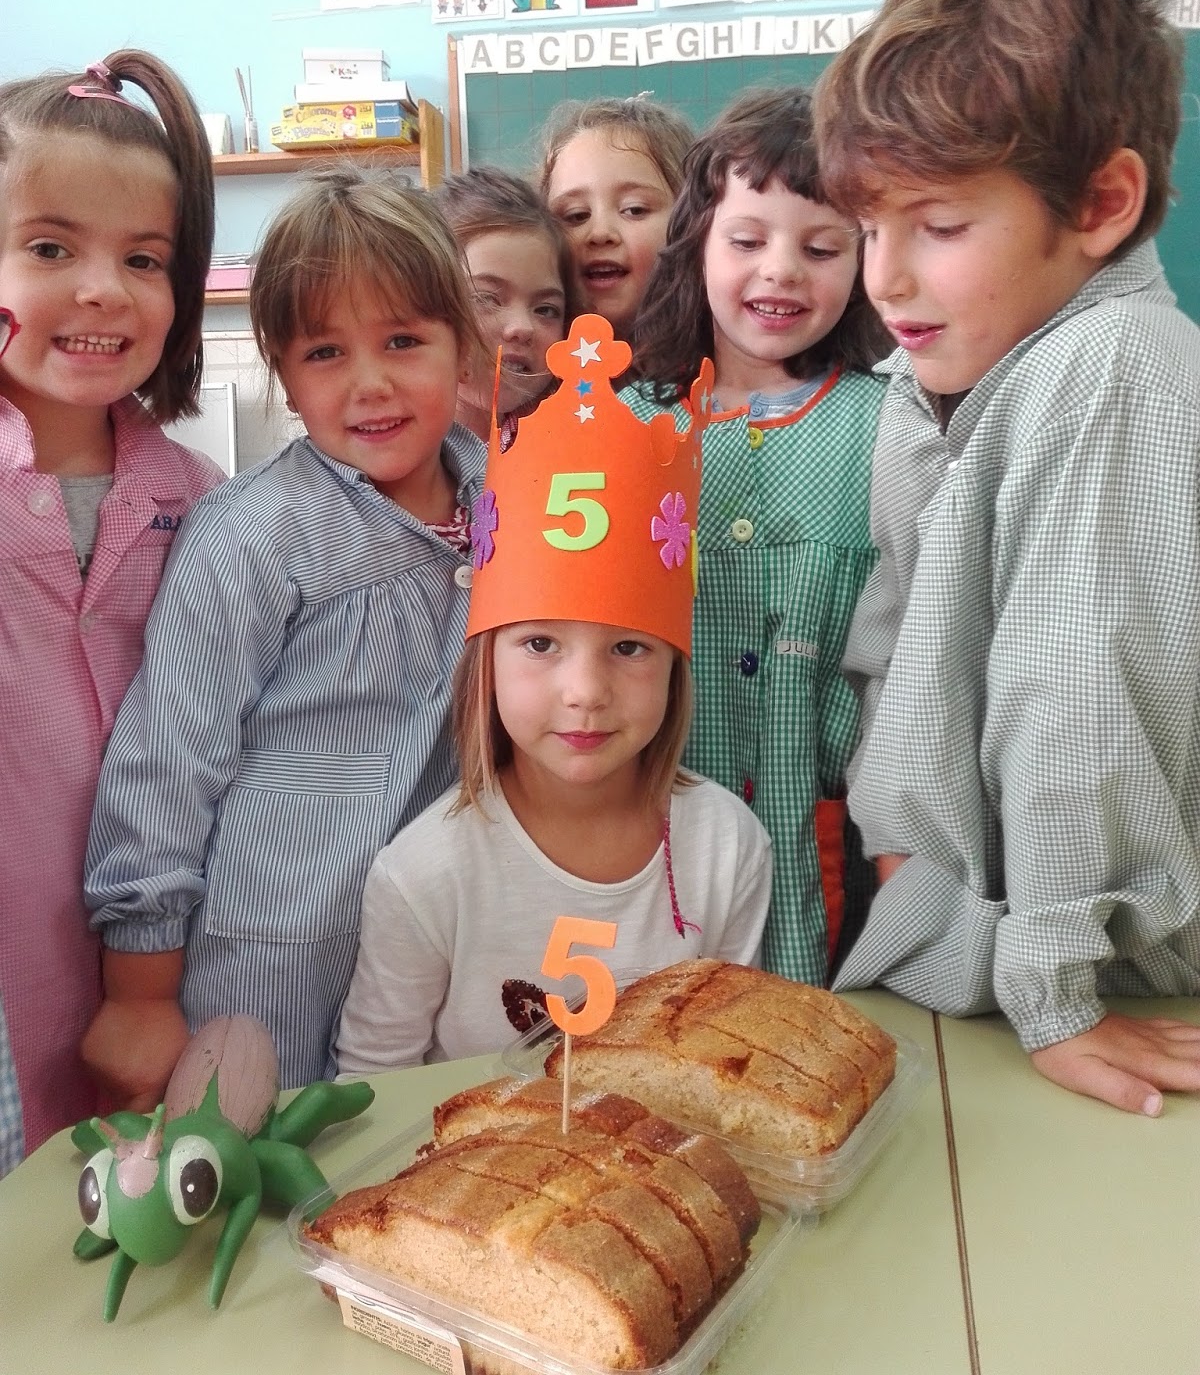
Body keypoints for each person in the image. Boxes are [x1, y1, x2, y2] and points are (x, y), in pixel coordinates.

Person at [815, 0, 1200, 1115]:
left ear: (1100, 203)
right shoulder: (948, 373)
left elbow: (1079, 693)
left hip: (1091, 984)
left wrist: (1056, 982)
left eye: (938, 227)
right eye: (869, 228)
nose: (884, 277)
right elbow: (903, 642)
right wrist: (907, 862)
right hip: (982, 955)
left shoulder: (1111, 366)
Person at [82, 165, 487, 1102]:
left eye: (403, 341)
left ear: (461, 345)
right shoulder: (249, 535)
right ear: (282, 370)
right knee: (258, 1168)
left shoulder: (511, 502)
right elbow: (167, 762)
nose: (371, 383)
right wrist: (141, 992)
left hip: (445, 955)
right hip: (274, 965)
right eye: (325, 352)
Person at [334, 314, 772, 1073]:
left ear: (675, 664)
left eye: (629, 647)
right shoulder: (426, 874)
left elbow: (725, 1063)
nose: (586, 692)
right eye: (540, 644)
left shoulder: (726, 848)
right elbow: (376, 1085)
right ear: (487, 660)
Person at [0, 51, 223, 1154]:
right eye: (50, 249)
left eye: (144, 258)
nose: (103, 289)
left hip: (161, 971)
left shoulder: (204, 501)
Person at [624, 87, 889, 988]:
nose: (781, 272)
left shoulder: (887, 425)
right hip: (650, 818)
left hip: (825, 823)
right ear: (697, 242)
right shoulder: (629, 424)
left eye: (821, 248)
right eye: (747, 241)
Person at [434, 166, 580, 439]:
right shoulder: (390, 449)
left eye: (545, 310)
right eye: (486, 298)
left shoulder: (565, 442)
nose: (522, 327)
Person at [540, 97, 693, 333]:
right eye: (576, 215)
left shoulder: (725, 351)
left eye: (634, 210)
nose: (600, 234)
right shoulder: (521, 350)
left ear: (690, 221)